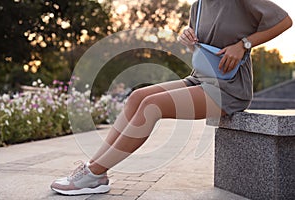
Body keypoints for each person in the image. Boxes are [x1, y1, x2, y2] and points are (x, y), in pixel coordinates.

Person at [50, 0, 292, 195]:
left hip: (228, 88)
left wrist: (244, 44)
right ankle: (95, 172)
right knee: (137, 97)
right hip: (200, 77)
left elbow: (285, 20)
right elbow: (201, 47)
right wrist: (187, 37)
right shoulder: (197, 6)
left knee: (151, 106)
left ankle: (94, 172)